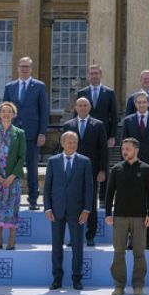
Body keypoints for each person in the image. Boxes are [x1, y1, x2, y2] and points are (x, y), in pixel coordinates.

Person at [106, 137, 149, 295]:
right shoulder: (116, 169)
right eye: (123, 149)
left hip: (140, 218)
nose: (124, 151)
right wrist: (108, 214)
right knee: (118, 252)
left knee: (139, 253)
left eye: (128, 148)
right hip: (119, 217)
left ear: (136, 149)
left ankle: (138, 285)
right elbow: (109, 194)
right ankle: (119, 286)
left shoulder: (147, 169)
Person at [44, 131, 94, 290]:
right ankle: (57, 278)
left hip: (77, 211)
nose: (72, 145)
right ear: (63, 143)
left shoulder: (85, 162)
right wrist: (47, 208)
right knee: (56, 245)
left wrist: (86, 209)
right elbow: (47, 187)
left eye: (75, 142)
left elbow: (89, 189)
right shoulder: (53, 161)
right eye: (69, 142)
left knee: (78, 246)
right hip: (56, 210)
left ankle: (77, 278)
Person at [60, 97, 109, 247]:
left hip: (92, 171)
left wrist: (102, 170)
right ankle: (74, 236)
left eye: (85, 105)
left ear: (89, 107)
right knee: (73, 204)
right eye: (80, 105)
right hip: (72, 171)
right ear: (75, 107)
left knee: (91, 203)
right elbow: (62, 149)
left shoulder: (98, 125)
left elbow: (103, 150)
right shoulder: (68, 125)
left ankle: (90, 235)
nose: (82, 108)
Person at [3, 57, 48, 210]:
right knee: (11, 167)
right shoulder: (10, 87)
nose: (24, 69)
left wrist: (42, 133)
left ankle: (33, 199)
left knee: (32, 167)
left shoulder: (39, 86)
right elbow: (5, 111)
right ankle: (10, 198)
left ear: (31, 69)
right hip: (12, 134)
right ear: (17, 68)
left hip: (32, 134)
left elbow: (44, 111)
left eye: (27, 67)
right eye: (22, 66)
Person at [122, 92, 149, 250]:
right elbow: (125, 147)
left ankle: (148, 239)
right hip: (132, 168)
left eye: (143, 102)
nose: (141, 105)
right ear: (135, 104)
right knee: (131, 205)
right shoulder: (128, 121)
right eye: (138, 102)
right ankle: (132, 240)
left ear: (148, 104)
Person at [0, 101, 26, 250]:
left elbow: (22, 157)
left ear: (13, 114)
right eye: (4, 111)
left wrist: (13, 176)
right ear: (0, 114)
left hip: (12, 179)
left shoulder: (19, 133)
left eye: (9, 111)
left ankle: (11, 240)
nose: (6, 114)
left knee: (12, 209)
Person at [78, 64, 119, 147]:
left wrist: (112, 136)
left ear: (101, 75)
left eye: (96, 73)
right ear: (88, 76)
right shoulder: (81, 93)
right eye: (91, 74)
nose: (94, 76)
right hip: (85, 132)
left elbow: (114, 116)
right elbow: (77, 114)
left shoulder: (109, 93)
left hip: (104, 133)